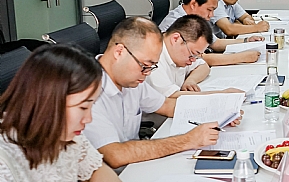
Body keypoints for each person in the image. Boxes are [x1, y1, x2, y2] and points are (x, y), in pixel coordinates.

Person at [0, 45, 161, 182]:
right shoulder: (5, 160)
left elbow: (93, 169)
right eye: (83, 108)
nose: (89, 119)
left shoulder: (62, 133)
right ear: (49, 101)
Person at [85, 17, 237, 169]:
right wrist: (188, 140)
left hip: (136, 167)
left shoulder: (130, 80)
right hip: (114, 175)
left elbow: (167, 105)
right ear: (119, 52)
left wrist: (219, 113)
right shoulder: (86, 92)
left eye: (152, 67)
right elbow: (115, 155)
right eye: (145, 66)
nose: (147, 73)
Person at [159, 0, 262, 66]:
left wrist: (247, 40)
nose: (211, 15)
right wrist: (241, 57)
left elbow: (215, 43)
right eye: (209, 10)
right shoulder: (175, 23)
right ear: (193, 4)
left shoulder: (196, 20)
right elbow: (199, 58)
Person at [148, 15, 213, 97]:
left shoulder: (178, 52)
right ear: (176, 39)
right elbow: (172, 96)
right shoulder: (151, 58)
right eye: (192, 54)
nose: (193, 60)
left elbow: (203, 66)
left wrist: (190, 81)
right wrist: (222, 93)